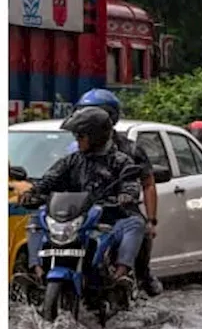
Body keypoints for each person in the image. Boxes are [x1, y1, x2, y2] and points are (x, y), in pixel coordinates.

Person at [20, 108, 146, 286]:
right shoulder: (71, 160)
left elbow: (131, 181)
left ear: (96, 137)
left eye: (81, 136)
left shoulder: (120, 161)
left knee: (136, 223)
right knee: (36, 220)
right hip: (73, 216)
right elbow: (50, 178)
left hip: (108, 219)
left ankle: (120, 274)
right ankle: (36, 270)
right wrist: (33, 192)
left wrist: (126, 194)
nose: (77, 141)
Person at [74, 89, 164, 297]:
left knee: (139, 229)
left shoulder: (130, 150)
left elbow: (148, 184)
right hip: (83, 210)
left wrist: (152, 220)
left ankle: (137, 276)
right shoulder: (75, 148)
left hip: (120, 210)